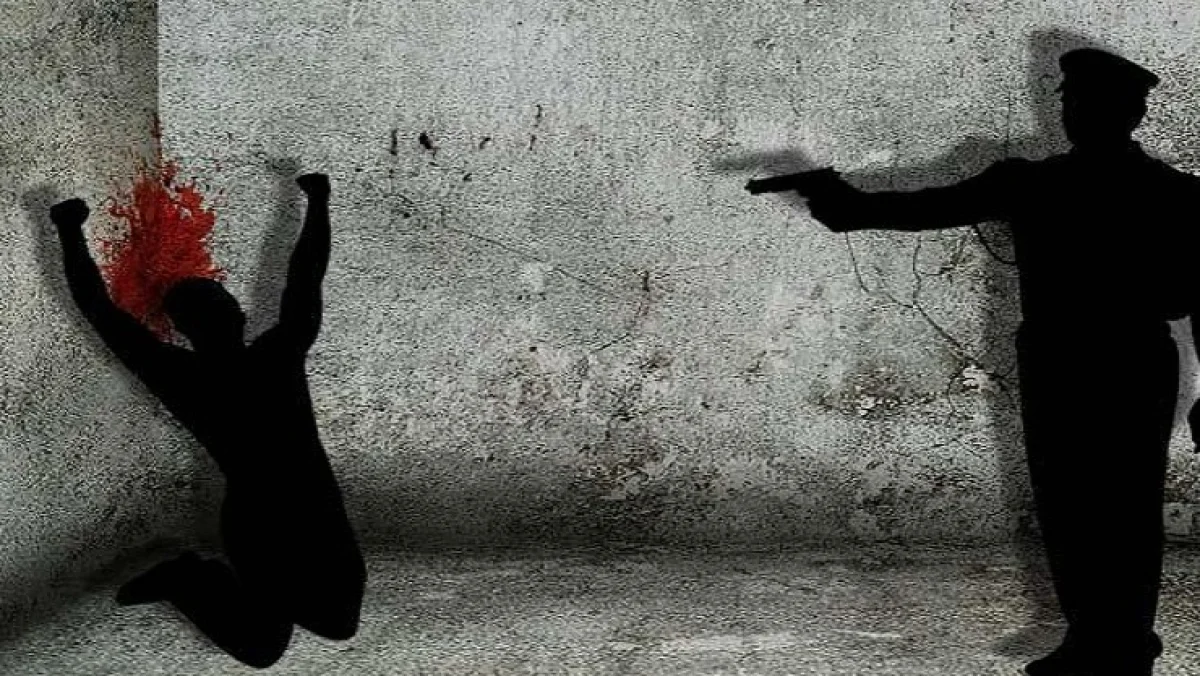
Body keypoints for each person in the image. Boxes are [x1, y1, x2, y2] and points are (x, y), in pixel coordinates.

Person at [755, 48, 1200, 676]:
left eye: (1080, 103)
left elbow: (901, 211)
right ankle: (1109, 642)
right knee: (1112, 505)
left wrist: (835, 199)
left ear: (1121, 113)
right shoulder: (1172, 192)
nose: (1072, 113)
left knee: (1081, 505)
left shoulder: (1037, 183)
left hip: (1072, 360)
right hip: (1125, 360)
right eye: (1072, 102)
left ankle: (1110, 643)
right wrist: (838, 200)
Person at [48, 172, 365, 668]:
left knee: (338, 623)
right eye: (214, 302)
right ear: (198, 326)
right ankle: (186, 578)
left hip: (312, 509)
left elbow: (307, 274)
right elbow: (305, 274)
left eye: (220, 300)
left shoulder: (264, 356)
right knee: (265, 648)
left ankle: (193, 580)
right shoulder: (214, 368)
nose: (224, 308)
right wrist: (68, 230)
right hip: (262, 522)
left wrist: (319, 202)